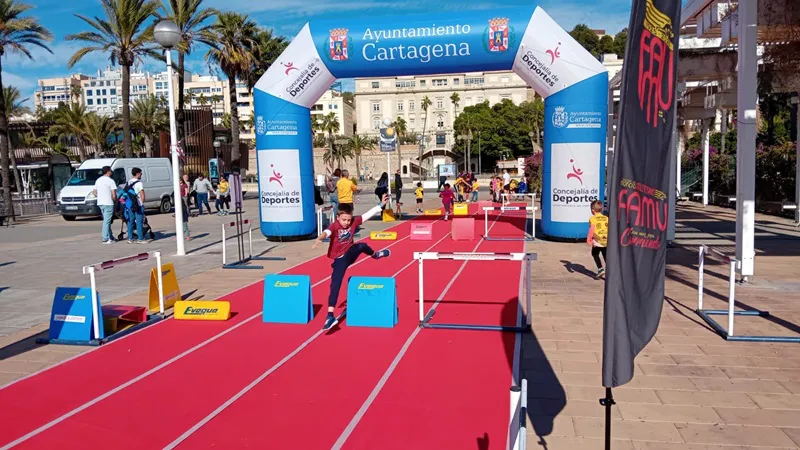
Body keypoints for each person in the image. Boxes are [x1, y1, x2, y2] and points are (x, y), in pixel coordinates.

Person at [313, 195, 391, 331]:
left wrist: (380, 205)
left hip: (350, 253)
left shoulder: (354, 222)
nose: (346, 223)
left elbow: (367, 214)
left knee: (361, 246)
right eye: (344, 220)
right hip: (339, 259)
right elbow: (327, 232)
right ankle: (330, 315)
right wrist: (320, 238)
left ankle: (376, 255)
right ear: (337, 217)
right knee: (335, 283)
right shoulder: (335, 226)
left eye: (349, 220)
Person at [93, 165, 117, 244]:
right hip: (108, 203)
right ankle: (105, 238)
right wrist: (115, 200)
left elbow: (94, 192)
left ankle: (111, 236)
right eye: (110, 171)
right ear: (108, 172)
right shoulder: (111, 181)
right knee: (106, 221)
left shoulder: (98, 180)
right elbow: (114, 194)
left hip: (100, 202)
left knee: (107, 220)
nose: (111, 172)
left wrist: (100, 196)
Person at [587, 200, 609, 278]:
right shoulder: (606, 218)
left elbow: (591, 230)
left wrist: (589, 240)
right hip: (606, 241)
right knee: (605, 255)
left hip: (597, 241)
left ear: (593, 211)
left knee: (595, 254)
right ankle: (610, 272)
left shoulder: (592, 219)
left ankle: (600, 269)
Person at [125, 167, 146, 244]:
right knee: (139, 222)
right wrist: (142, 203)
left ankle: (130, 238)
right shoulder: (139, 183)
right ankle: (140, 238)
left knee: (130, 221)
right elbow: (142, 194)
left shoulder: (128, 182)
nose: (141, 174)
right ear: (137, 173)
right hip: (138, 205)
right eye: (141, 173)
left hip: (129, 205)